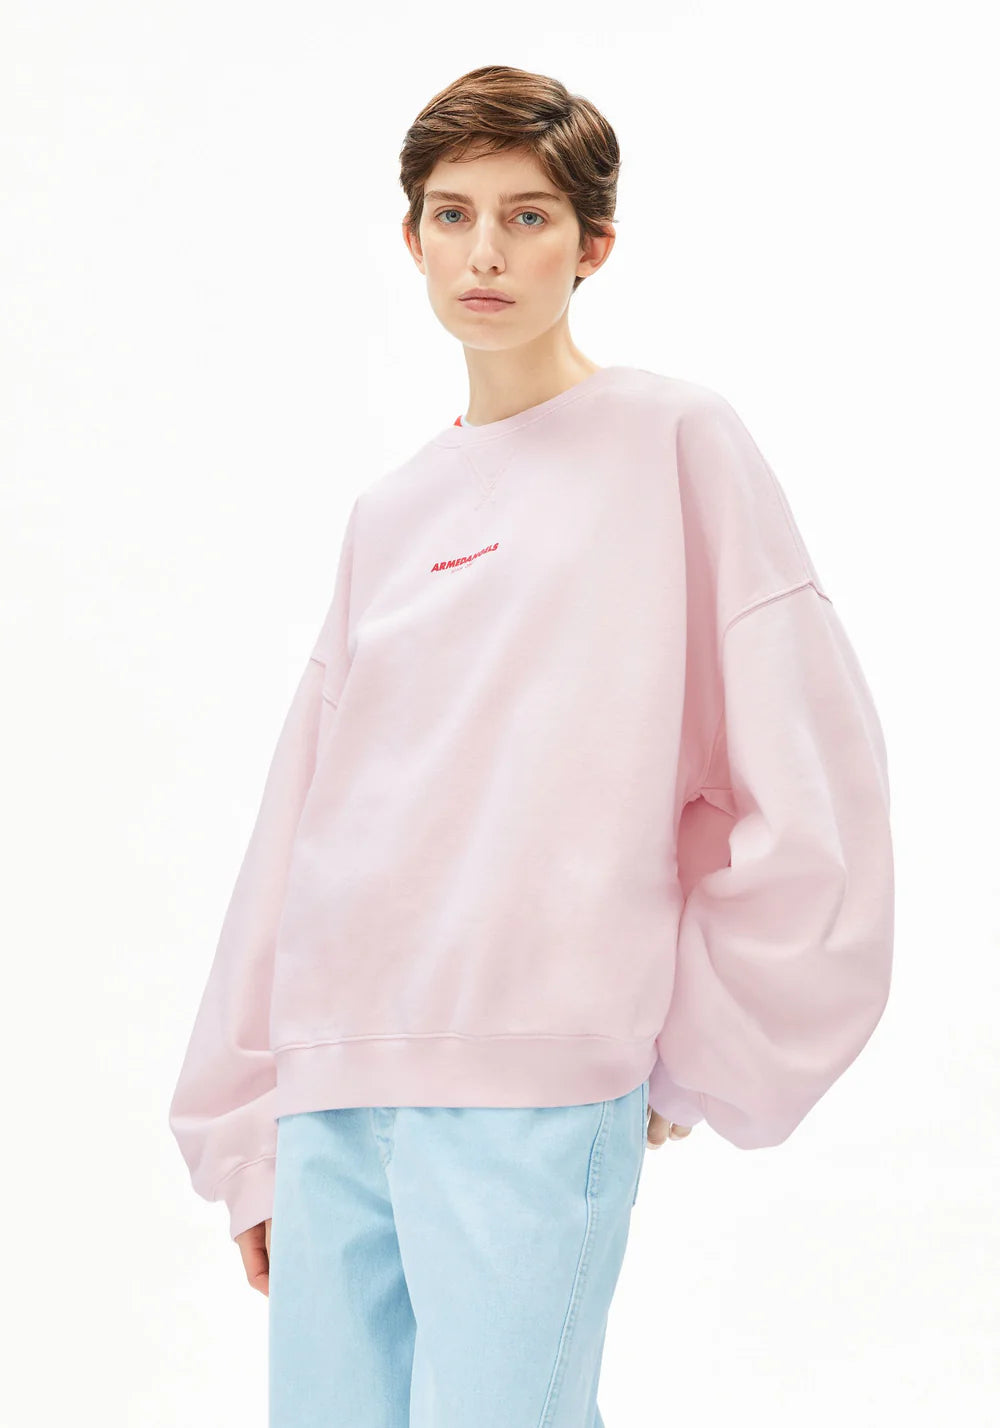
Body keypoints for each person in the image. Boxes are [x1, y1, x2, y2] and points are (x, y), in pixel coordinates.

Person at [168, 64, 894, 1427]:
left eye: (528, 216)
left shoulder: (675, 441)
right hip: (334, 1092)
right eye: (453, 215)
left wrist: (697, 1046)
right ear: (412, 239)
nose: (485, 253)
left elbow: (806, 777)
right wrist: (249, 1116)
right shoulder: (391, 512)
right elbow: (307, 820)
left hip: (530, 1083)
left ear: (593, 243)